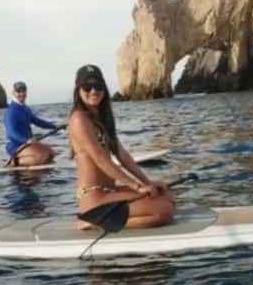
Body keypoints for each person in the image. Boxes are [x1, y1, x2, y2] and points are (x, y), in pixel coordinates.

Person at [68, 64, 174, 229]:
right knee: (163, 211)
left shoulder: (101, 120)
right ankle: (91, 221)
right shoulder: (78, 119)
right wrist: (137, 186)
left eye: (98, 86)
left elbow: (122, 156)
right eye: (87, 86)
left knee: (166, 196)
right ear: (78, 90)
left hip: (110, 192)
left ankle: (106, 217)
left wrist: (148, 182)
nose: (94, 91)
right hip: (94, 198)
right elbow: (102, 161)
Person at [4, 81, 60, 166]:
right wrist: (26, 140)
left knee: (51, 153)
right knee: (42, 156)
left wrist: (54, 126)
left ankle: (30, 160)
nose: (21, 93)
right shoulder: (10, 111)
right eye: (18, 91)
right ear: (13, 93)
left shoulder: (26, 109)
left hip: (29, 144)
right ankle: (14, 162)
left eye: (23, 91)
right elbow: (11, 133)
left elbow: (37, 121)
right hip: (16, 146)